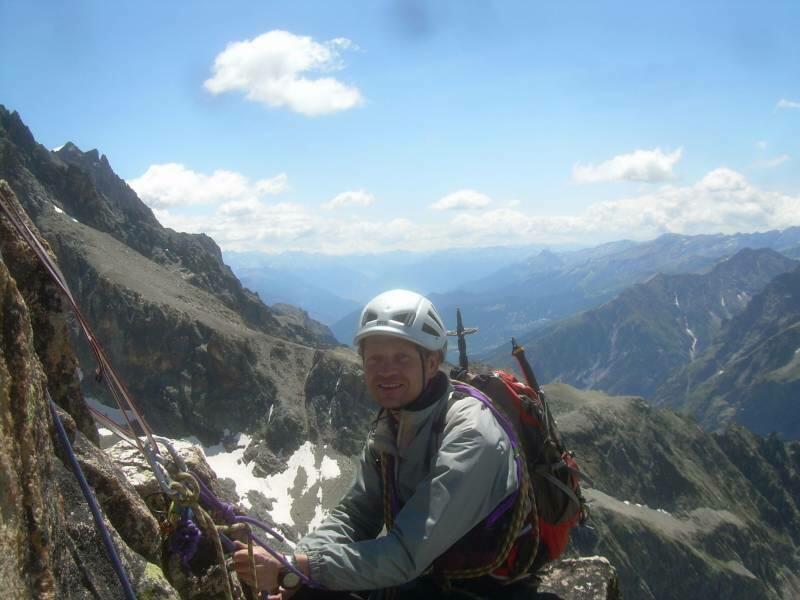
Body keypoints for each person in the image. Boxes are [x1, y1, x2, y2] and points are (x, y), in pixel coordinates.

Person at [233, 289, 528, 599]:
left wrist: (294, 570)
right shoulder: (392, 426)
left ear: (432, 363)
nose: (386, 371)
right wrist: (297, 564)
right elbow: (354, 516)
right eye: (375, 359)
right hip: (427, 577)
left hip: (483, 590)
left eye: (401, 357)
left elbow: (406, 554)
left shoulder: (472, 435)